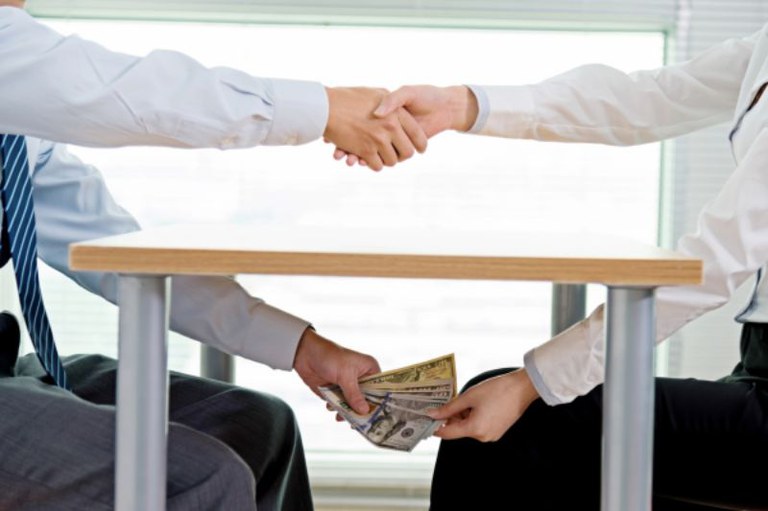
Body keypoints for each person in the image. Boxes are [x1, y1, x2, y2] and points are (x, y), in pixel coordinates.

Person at [0, 2, 429, 510]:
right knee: (195, 476)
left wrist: (301, 347)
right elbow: (130, 94)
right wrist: (326, 110)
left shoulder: (21, 136)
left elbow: (120, 256)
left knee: (260, 426)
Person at [363, 23, 768, 511]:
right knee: (559, 454)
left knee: (520, 426)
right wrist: (460, 105)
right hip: (756, 368)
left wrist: (528, 384)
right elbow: (647, 98)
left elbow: (711, 266)